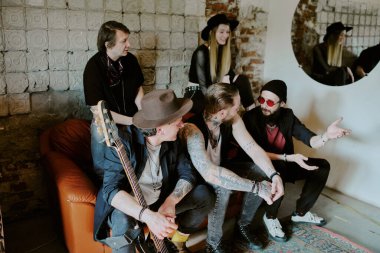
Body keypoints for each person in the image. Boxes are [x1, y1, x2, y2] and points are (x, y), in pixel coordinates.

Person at [93, 89, 215, 253]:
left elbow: (188, 173)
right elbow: (110, 190)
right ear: (160, 128)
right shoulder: (123, 142)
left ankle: (176, 243)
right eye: (178, 121)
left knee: (204, 195)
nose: (182, 124)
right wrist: (148, 217)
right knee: (122, 220)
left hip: (158, 202)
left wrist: (170, 202)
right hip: (131, 208)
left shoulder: (172, 140)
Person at [179, 83, 284, 252]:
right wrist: (258, 188)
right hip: (201, 177)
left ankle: (244, 225)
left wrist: (274, 175)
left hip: (223, 166)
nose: (239, 109)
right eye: (236, 107)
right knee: (223, 187)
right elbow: (209, 173)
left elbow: (252, 147)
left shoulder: (231, 119)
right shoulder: (192, 129)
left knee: (260, 172)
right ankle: (213, 245)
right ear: (222, 112)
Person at [242, 79, 351, 242]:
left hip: (286, 162)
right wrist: (287, 158)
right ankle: (270, 217)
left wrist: (326, 136)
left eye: (270, 102)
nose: (264, 105)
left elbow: (310, 139)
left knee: (322, 167)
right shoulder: (251, 117)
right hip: (261, 165)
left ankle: (300, 213)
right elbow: (254, 153)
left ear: (282, 103)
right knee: (278, 167)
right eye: (261, 100)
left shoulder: (288, 116)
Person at [83, 21, 144, 182]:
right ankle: (105, 185)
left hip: (133, 117)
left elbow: (138, 89)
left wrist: (143, 114)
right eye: (123, 41)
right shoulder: (93, 68)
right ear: (108, 44)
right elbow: (98, 111)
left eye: (127, 40)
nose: (129, 44)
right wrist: (133, 121)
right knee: (98, 128)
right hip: (107, 123)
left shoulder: (130, 60)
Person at [185, 13, 255, 114]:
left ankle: (252, 114)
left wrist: (237, 80)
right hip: (197, 93)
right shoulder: (201, 52)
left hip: (214, 88)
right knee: (223, 105)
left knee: (242, 80)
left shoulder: (222, 52)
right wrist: (224, 98)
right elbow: (205, 89)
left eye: (227, 32)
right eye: (221, 32)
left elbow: (229, 75)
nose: (225, 35)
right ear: (212, 33)